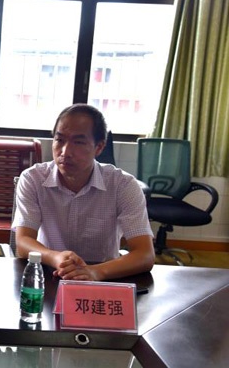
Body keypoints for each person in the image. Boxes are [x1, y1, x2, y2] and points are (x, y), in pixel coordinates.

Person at [12, 104, 155, 281]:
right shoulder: (33, 179)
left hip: (104, 277)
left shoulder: (123, 185)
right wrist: (55, 257)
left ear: (99, 147)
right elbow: (23, 241)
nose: (65, 152)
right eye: (60, 140)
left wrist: (95, 272)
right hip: (49, 274)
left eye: (78, 142)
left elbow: (145, 254)